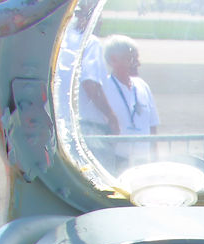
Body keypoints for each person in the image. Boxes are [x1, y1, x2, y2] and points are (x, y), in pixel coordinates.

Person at [56, 0, 120, 141]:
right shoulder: (90, 42)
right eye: (98, 18)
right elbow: (90, 85)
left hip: (62, 123)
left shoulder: (60, 43)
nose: (101, 23)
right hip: (89, 126)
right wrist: (111, 116)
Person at [101, 36, 160, 170]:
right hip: (116, 161)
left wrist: (155, 160)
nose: (137, 64)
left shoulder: (142, 86)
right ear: (113, 60)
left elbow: (153, 126)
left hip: (143, 160)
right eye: (131, 59)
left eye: (137, 59)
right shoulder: (104, 87)